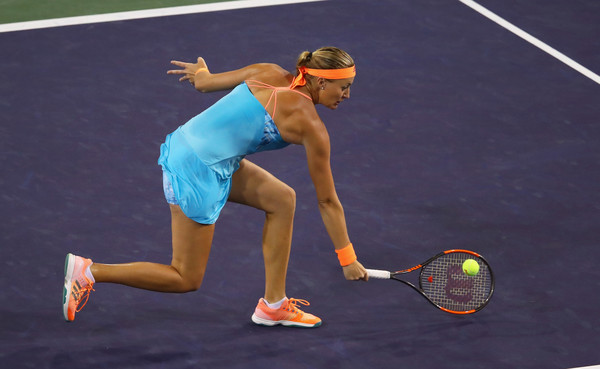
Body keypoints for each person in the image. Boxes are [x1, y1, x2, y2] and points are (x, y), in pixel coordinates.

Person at [63, 46, 368, 328]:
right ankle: (90, 271)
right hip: (196, 169)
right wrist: (348, 259)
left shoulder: (269, 71)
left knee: (282, 199)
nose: (348, 95)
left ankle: (273, 305)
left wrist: (200, 72)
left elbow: (204, 83)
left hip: (192, 145)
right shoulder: (310, 126)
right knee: (185, 277)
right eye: (345, 87)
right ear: (321, 82)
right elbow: (327, 201)